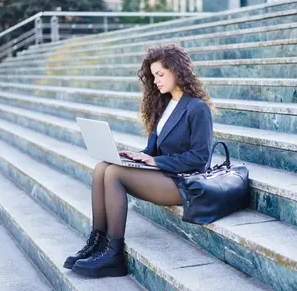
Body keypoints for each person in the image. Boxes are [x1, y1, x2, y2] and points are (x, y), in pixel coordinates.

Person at [64, 43, 215, 278]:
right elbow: (154, 149)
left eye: (160, 74)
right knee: (103, 167)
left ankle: (114, 255)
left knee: (114, 174)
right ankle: (97, 242)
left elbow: (200, 159)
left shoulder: (197, 108)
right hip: (163, 175)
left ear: (177, 71)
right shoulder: (165, 105)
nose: (156, 81)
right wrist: (140, 156)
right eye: (153, 76)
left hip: (183, 182)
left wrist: (157, 162)